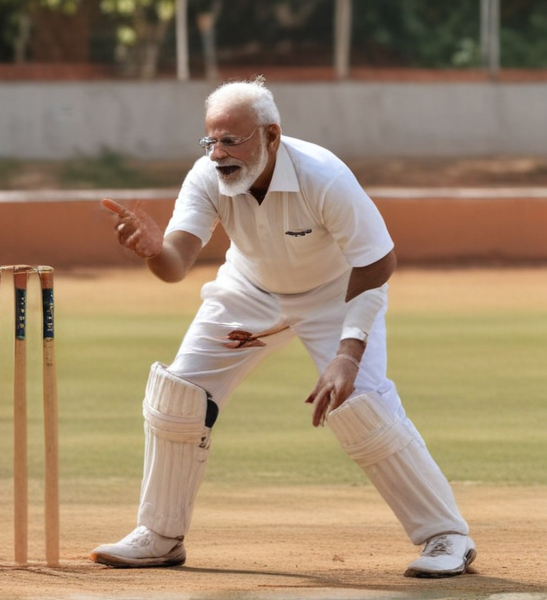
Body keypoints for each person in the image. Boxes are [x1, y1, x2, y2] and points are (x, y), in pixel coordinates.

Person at [91, 77, 475, 578]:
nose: (217, 153)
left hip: (336, 294)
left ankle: (447, 537)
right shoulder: (207, 177)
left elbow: (377, 262)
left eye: (231, 140)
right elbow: (175, 264)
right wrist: (151, 251)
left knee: (363, 404)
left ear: (272, 135)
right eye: (210, 140)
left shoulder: (323, 175)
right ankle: (160, 535)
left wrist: (346, 355)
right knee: (178, 394)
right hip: (249, 291)